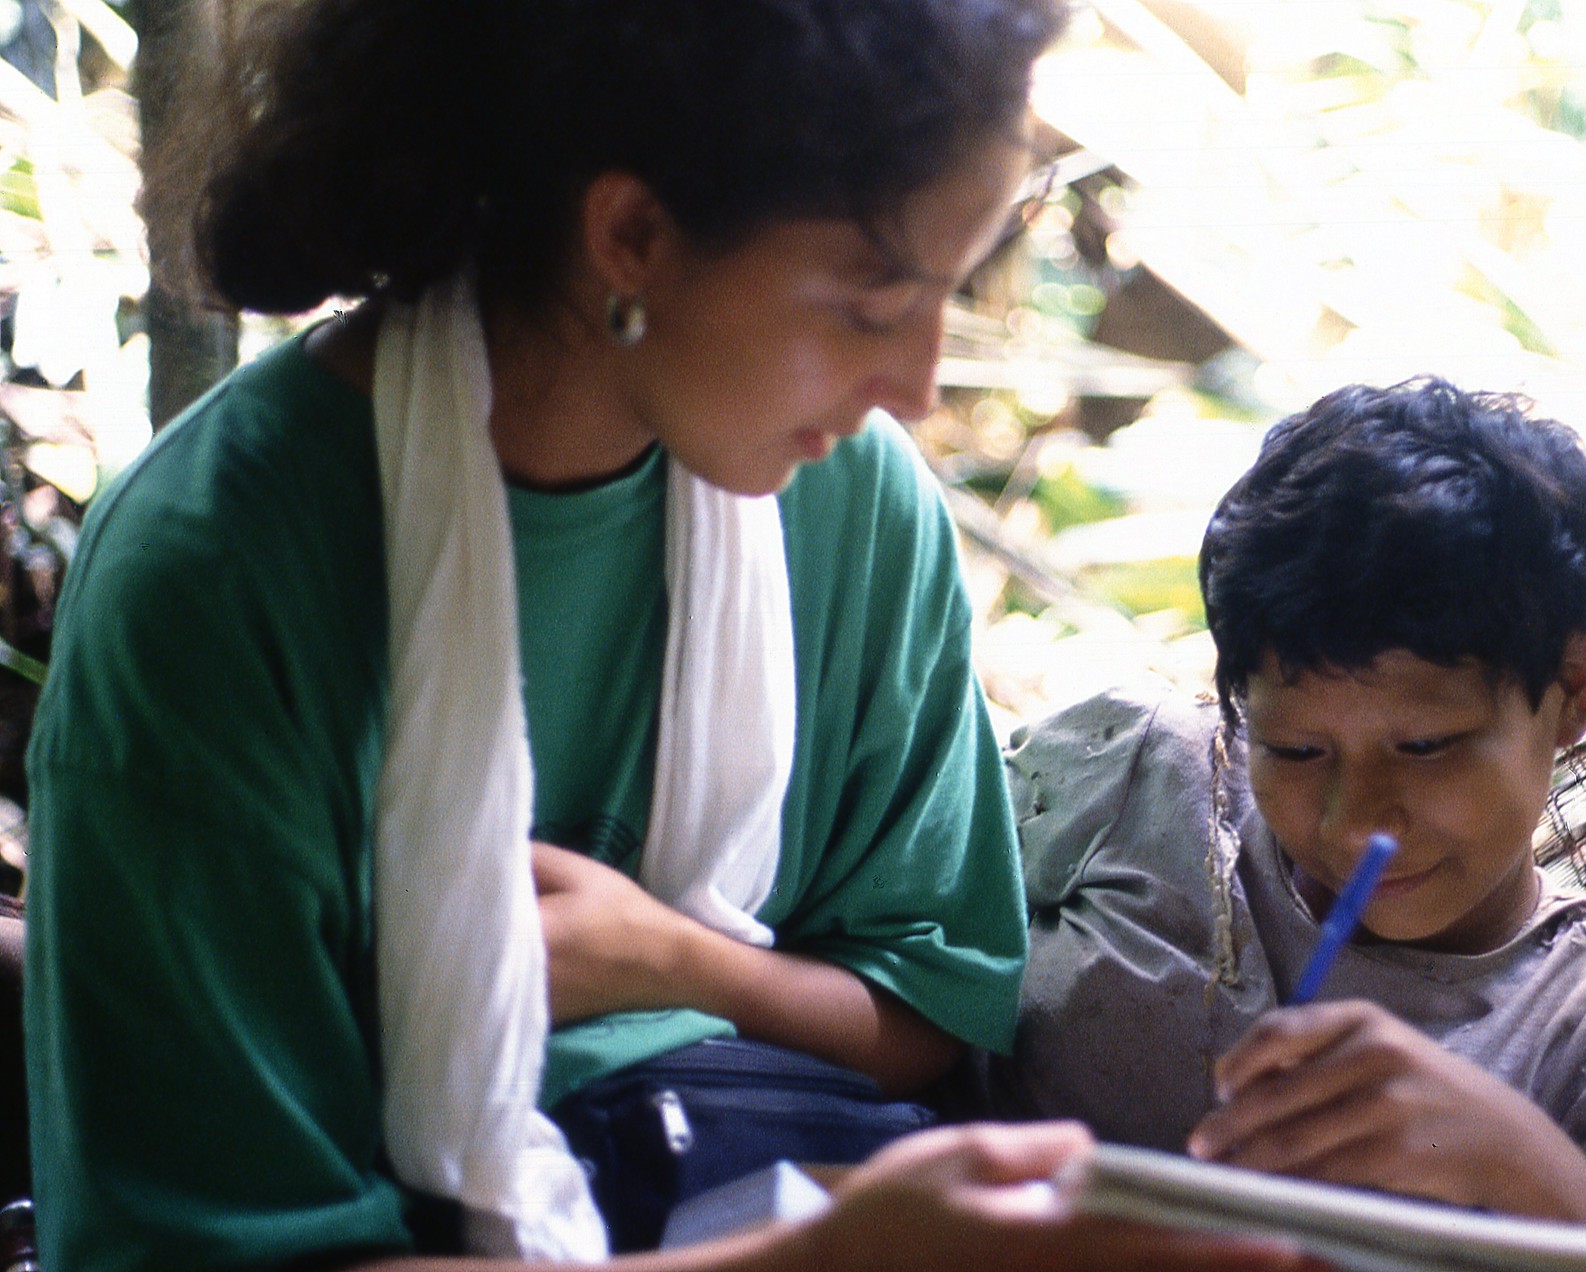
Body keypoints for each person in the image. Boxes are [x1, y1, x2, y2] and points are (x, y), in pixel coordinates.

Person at [19, 2, 1320, 1270]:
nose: (918, 384)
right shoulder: (222, 580)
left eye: (952, 291)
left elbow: (929, 1002)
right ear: (633, 233)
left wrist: (677, 966)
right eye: (871, 304)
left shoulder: (855, 506)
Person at [966, 379, 1586, 1271]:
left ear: (1577, 684)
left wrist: (1517, 1162)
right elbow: (893, 928)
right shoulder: (1131, 781)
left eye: (1427, 745)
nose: (1355, 824)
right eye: (1297, 750)